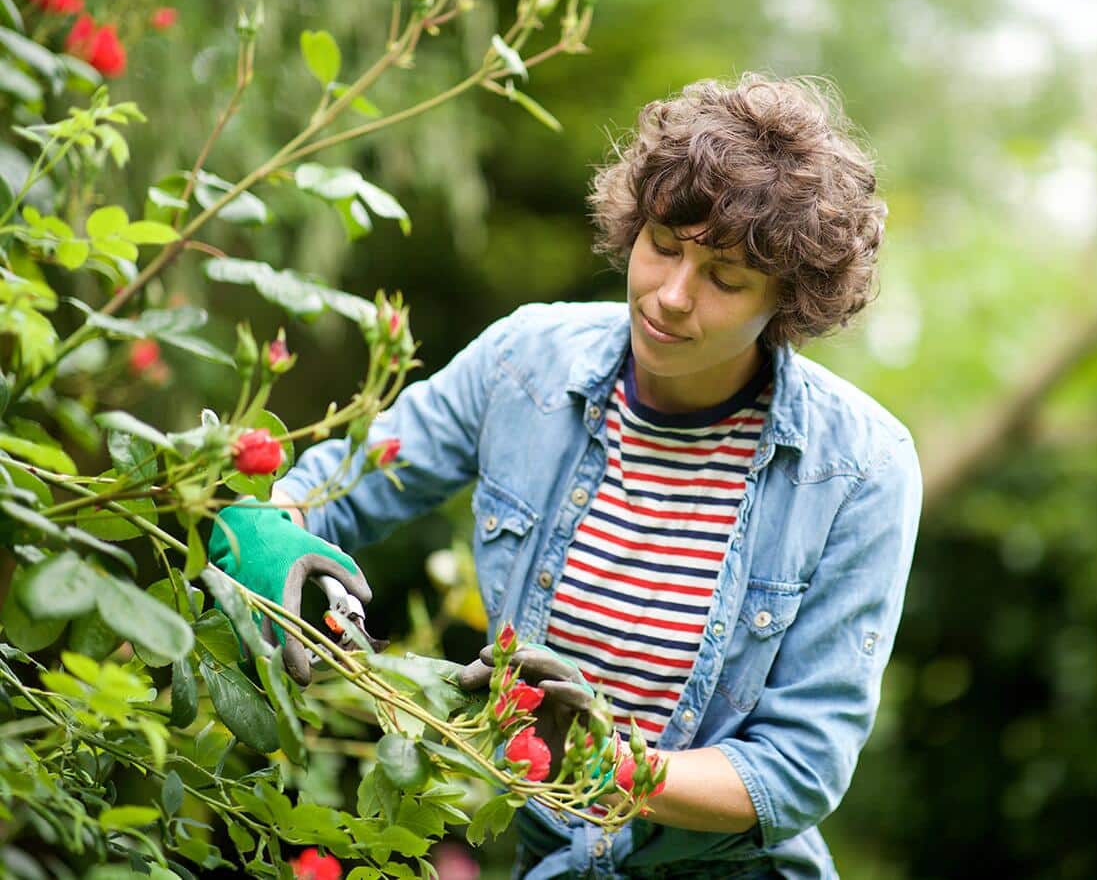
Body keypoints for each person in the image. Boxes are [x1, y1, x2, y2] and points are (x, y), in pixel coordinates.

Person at [209, 73, 923, 880]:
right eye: (662, 245)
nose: (672, 297)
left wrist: (604, 763)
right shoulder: (524, 364)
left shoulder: (861, 468)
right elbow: (328, 488)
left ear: (787, 302)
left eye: (725, 279)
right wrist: (264, 535)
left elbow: (799, 772)